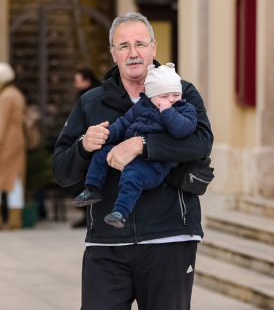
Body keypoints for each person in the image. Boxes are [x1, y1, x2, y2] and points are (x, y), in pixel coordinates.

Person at [52, 13, 212, 310]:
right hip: (107, 242)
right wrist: (85, 146)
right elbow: (62, 171)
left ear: (154, 45)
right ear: (113, 54)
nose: (134, 52)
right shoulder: (92, 103)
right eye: (124, 45)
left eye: (140, 42)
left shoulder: (180, 89)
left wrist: (142, 143)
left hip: (170, 238)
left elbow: (201, 142)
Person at [73, 63, 197, 227]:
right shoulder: (141, 107)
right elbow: (123, 123)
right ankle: (92, 189)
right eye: (165, 96)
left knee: (132, 174)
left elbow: (182, 130)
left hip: (155, 164)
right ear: (151, 95)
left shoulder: (184, 110)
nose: (172, 99)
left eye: (176, 94)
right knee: (102, 153)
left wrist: (167, 111)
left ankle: (120, 212)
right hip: (130, 154)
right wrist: (108, 133)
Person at [0, 63, 27, 231]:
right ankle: (15, 219)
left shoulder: (5, 96)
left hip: (7, 140)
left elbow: (1, 124)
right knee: (14, 180)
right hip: (17, 140)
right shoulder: (16, 94)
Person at [70, 68, 102, 228]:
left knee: (86, 180)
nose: (76, 84)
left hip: (91, 144)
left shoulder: (89, 96)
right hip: (92, 143)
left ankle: (88, 216)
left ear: (86, 80)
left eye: (78, 80)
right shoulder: (96, 93)